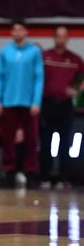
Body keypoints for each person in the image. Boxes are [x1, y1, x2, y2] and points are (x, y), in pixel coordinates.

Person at [0, 19, 44, 188]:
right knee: (8, 139)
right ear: (11, 33)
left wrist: (36, 101)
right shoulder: (5, 51)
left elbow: (39, 78)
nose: (17, 33)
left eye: (20, 30)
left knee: (31, 139)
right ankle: (9, 171)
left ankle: (30, 172)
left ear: (26, 32)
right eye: (14, 30)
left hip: (28, 103)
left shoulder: (34, 52)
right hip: (9, 101)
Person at [40, 26, 84, 187]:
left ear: (67, 39)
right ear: (54, 38)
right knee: (46, 141)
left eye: (64, 36)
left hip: (65, 105)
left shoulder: (74, 59)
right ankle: (45, 176)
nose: (61, 39)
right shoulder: (45, 56)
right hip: (47, 103)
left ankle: (63, 178)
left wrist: (77, 89)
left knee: (65, 142)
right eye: (58, 36)